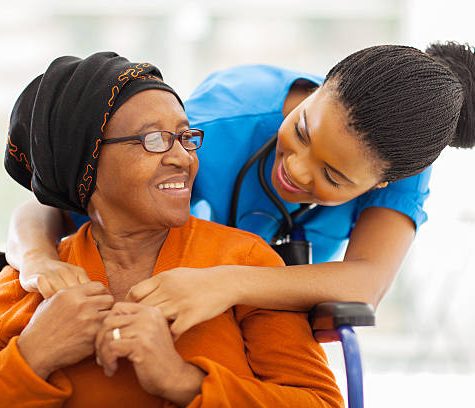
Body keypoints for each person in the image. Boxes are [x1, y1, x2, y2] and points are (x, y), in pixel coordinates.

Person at [6, 42, 475, 338]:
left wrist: (225, 282)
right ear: (317, 90)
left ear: (382, 182)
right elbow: (49, 206)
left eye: (333, 177)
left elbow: (365, 282)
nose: (294, 169)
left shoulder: (401, 161)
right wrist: (38, 260)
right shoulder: (217, 126)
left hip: (255, 328)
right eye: (303, 132)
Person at [0, 52, 343, 407]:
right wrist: (32, 355)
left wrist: (180, 380)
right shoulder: (27, 283)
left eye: (184, 137)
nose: (183, 157)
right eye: (153, 140)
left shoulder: (246, 260)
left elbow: (320, 402)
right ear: (85, 162)